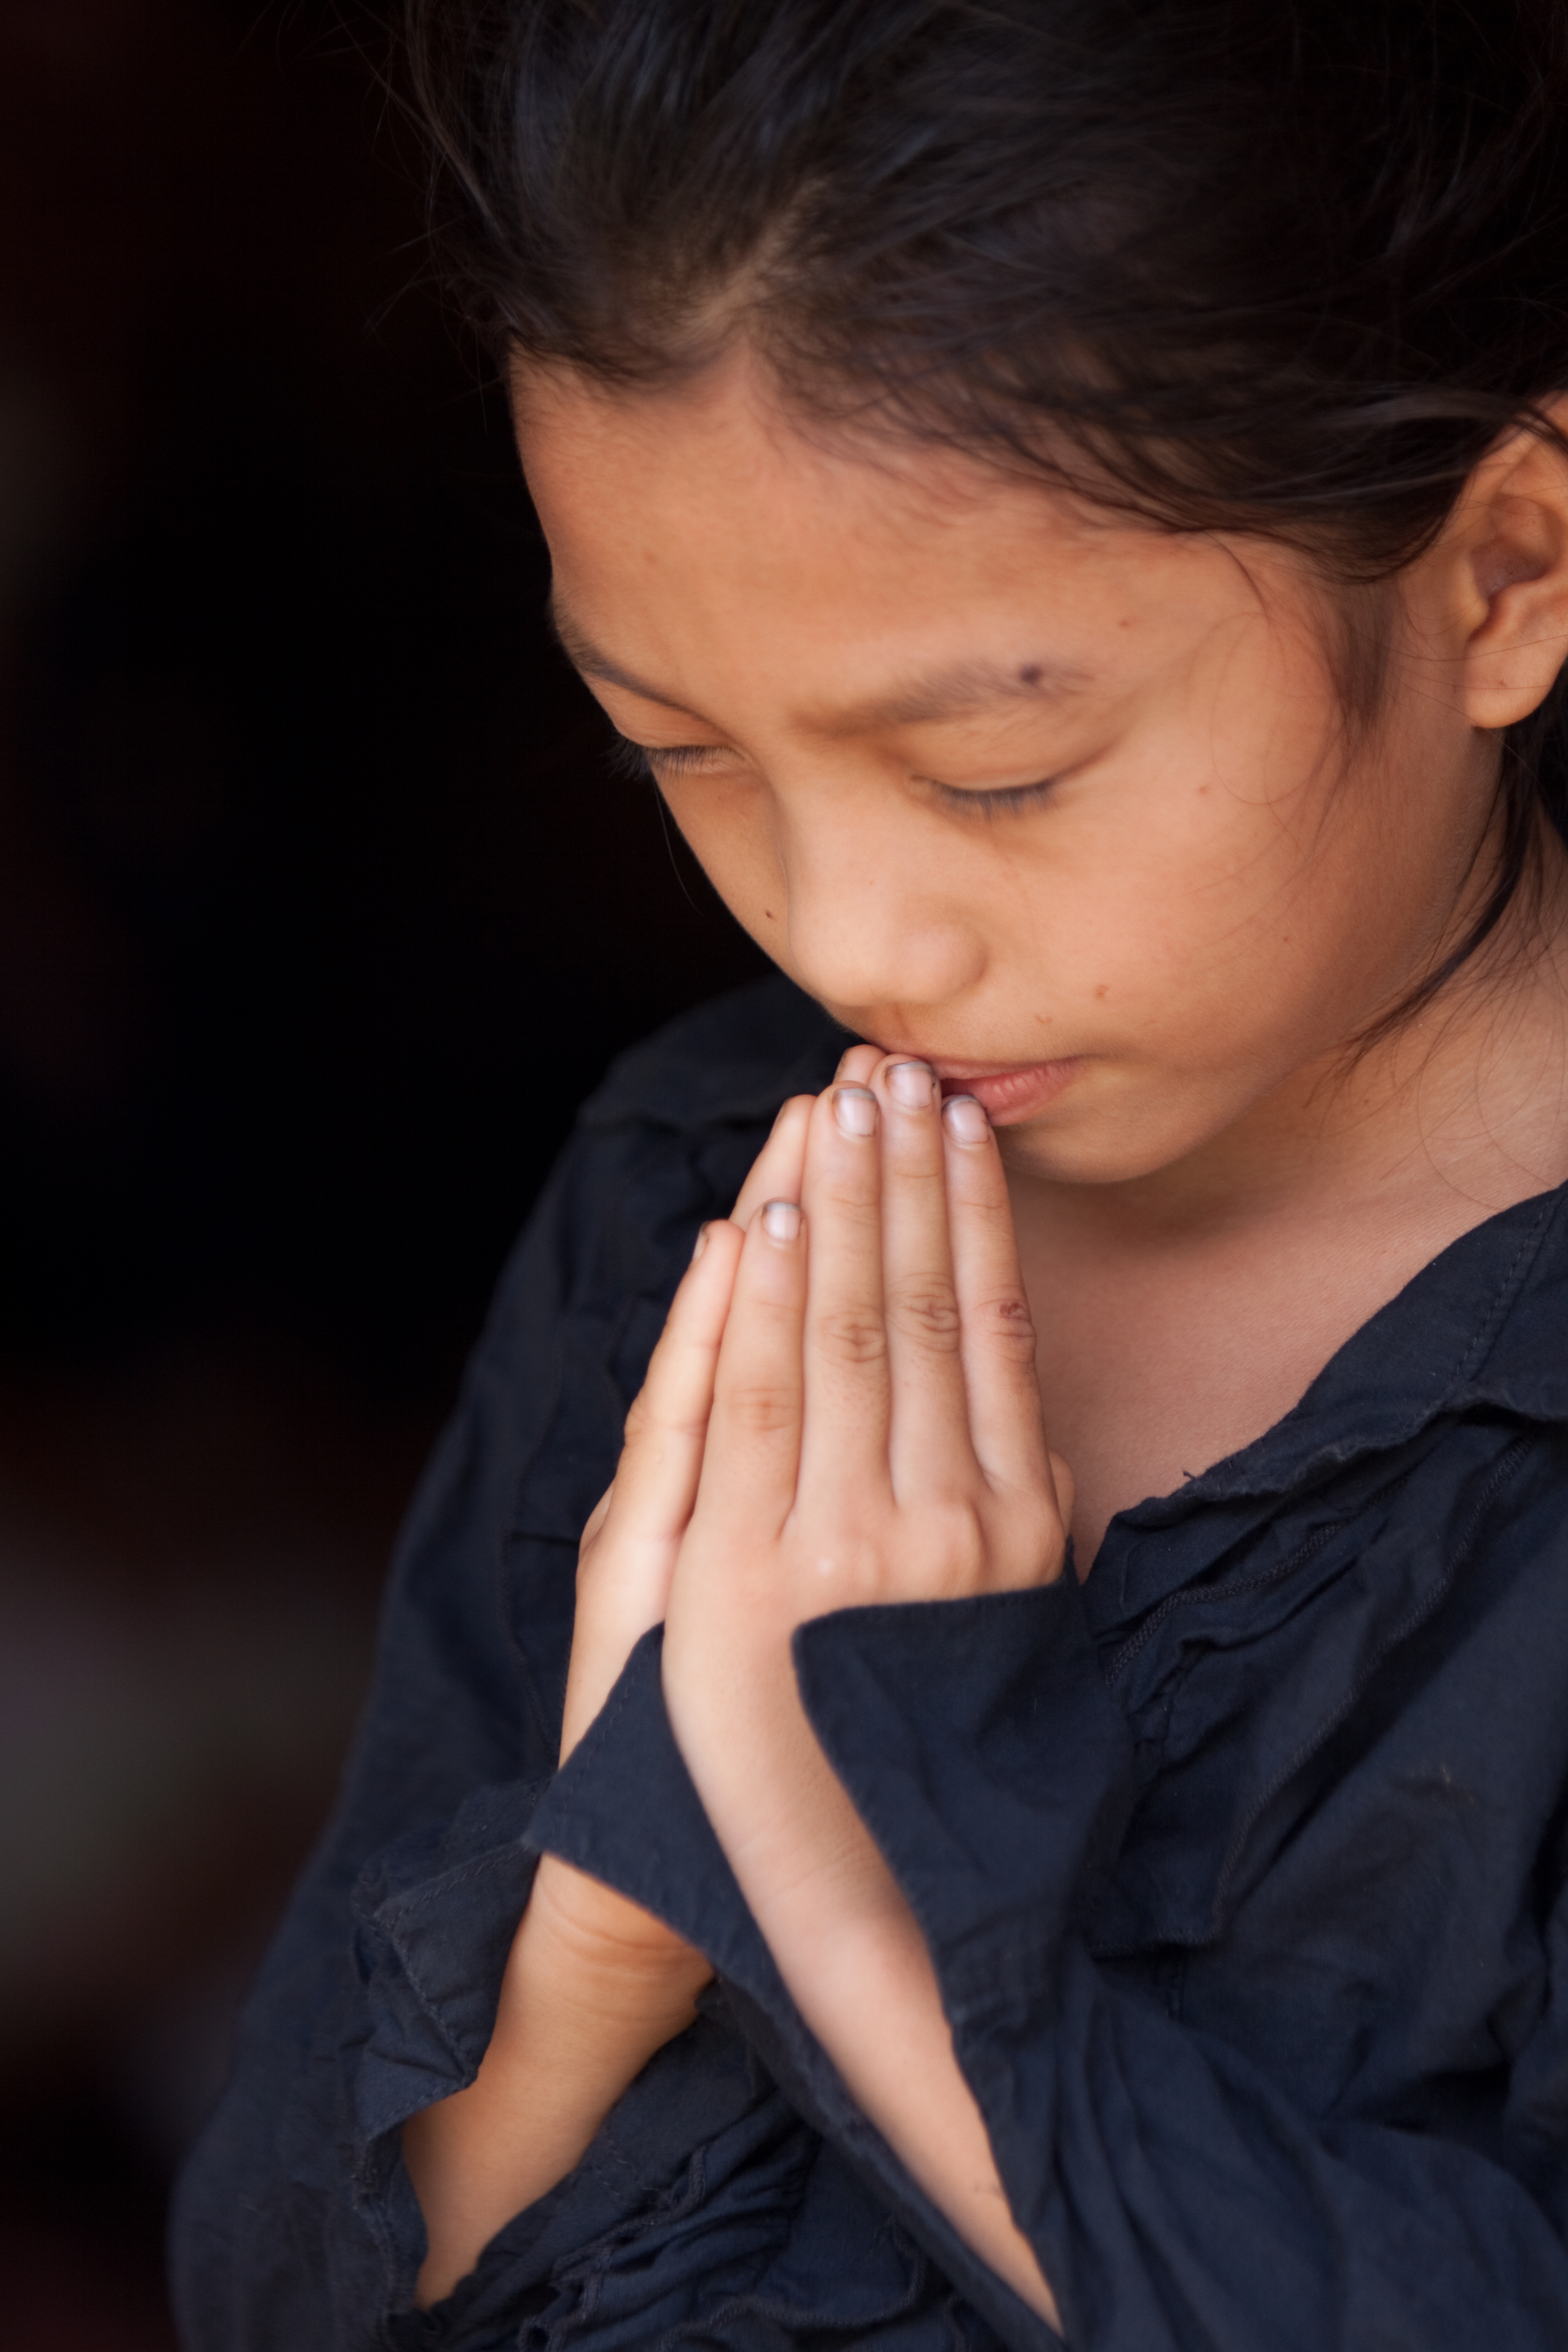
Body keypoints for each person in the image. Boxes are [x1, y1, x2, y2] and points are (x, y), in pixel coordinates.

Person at [171, 1, 1568, 2344]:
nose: (847, 938)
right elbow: (262, 2286)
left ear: (1506, 571)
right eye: (674, 754)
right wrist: (611, 1924)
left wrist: (858, 1904)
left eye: (999, 772)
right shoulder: (687, 1194)